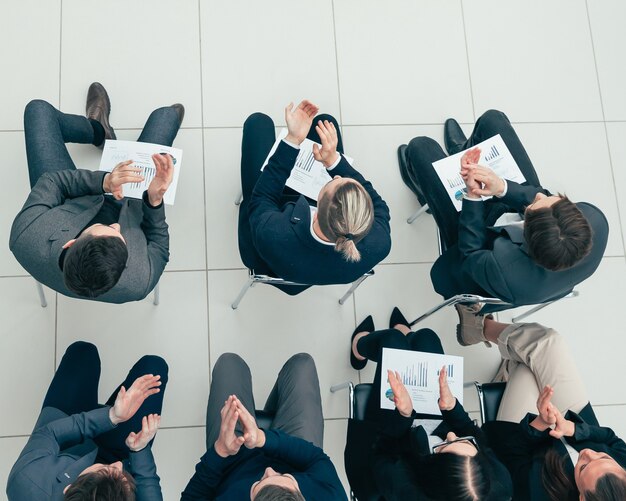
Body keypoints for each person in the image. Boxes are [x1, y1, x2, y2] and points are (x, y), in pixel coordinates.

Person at [397, 109, 608, 316]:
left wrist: (473, 195)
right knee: (493, 120)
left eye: (536, 204)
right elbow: (542, 197)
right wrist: (501, 187)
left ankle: (422, 190)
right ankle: (464, 152)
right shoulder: (594, 219)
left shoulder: (504, 270)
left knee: (420, 148)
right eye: (553, 199)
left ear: (528, 229)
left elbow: (471, 252)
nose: (540, 196)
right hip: (519, 222)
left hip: (478, 241)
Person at [10, 82, 185, 303]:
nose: (116, 225)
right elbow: (159, 243)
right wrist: (154, 200)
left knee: (38, 110)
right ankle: (114, 130)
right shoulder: (139, 282)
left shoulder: (25, 236)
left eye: (107, 228)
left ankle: (98, 130)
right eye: (120, 235)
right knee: (166, 117)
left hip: (71, 198)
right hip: (133, 204)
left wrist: (105, 181)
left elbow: (52, 181)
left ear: (70, 243)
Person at [346, 308, 512, 500]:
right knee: (427, 338)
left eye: (444, 447)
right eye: (464, 442)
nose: (451, 435)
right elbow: (477, 437)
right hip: (430, 426)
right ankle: (409, 337)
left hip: (389, 443)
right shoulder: (498, 485)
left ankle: (359, 348)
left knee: (391, 341)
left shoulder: (404, 489)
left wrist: (404, 415)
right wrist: (452, 408)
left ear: (432, 474)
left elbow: (383, 451)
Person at [460, 317, 626, 500]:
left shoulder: (539, 493)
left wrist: (539, 424)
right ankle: (478, 329)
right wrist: (573, 428)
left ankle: (499, 352)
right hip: (574, 421)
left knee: (526, 368)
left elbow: (510, 456)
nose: (587, 453)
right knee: (549, 342)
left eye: (584, 467)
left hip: (523, 440)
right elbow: (611, 439)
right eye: (603, 457)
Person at [238, 100, 391, 295]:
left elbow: (262, 197)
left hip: (272, 246)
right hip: (316, 264)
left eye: (332, 181)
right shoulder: (379, 243)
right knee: (326, 122)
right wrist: (334, 161)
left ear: (316, 213)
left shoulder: (274, 233)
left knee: (258, 123)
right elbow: (379, 204)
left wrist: (292, 140)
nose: (336, 176)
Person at [6, 341, 168, 500]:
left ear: (68, 488)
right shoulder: (118, 464)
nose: (119, 465)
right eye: (122, 475)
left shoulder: (27, 482)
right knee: (154, 367)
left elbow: (50, 433)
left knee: (83, 352)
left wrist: (112, 416)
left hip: (66, 446)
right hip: (120, 448)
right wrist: (139, 449)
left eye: (109, 469)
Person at [181, 353, 347, 500]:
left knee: (229, 363)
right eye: (285, 477)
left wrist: (220, 451)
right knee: (302, 364)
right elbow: (317, 459)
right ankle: (275, 414)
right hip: (295, 458)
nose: (269, 469)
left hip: (232, 462)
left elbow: (192, 497)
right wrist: (262, 438)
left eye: (258, 483)